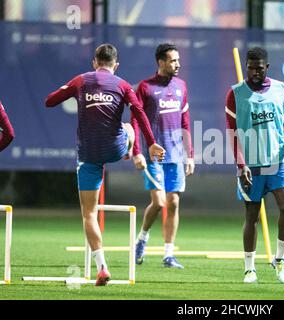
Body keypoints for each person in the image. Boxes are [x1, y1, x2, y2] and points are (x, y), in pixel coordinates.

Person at [45, 43, 165, 285]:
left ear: (94, 62)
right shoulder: (121, 85)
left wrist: (72, 91)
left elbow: (49, 101)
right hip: (115, 148)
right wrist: (150, 143)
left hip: (88, 153)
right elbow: (139, 113)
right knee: (129, 127)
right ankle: (129, 151)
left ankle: (102, 267)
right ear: (115, 65)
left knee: (88, 214)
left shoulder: (81, 80)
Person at [225, 47, 284, 283]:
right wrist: (241, 165)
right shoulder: (235, 93)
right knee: (252, 215)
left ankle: (279, 261)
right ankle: (249, 268)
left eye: (259, 68)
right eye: (250, 67)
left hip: (278, 161)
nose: (254, 72)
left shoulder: (280, 89)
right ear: (246, 66)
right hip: (251, 165)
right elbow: (232, 132)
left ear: (266, 67)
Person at [131, 43, 194, 269]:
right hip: (154, 154)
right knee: (158, 202)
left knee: (174, 202)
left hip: (176, 154)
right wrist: (137, 150)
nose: (178, 64)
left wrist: (190, 154)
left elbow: (185, 121)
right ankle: (142, 239)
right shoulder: (145, 88)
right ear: (161, 62)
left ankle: (168, 255)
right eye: (173, 60)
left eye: (178, 60)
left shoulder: (181, 86)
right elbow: (135, 121)